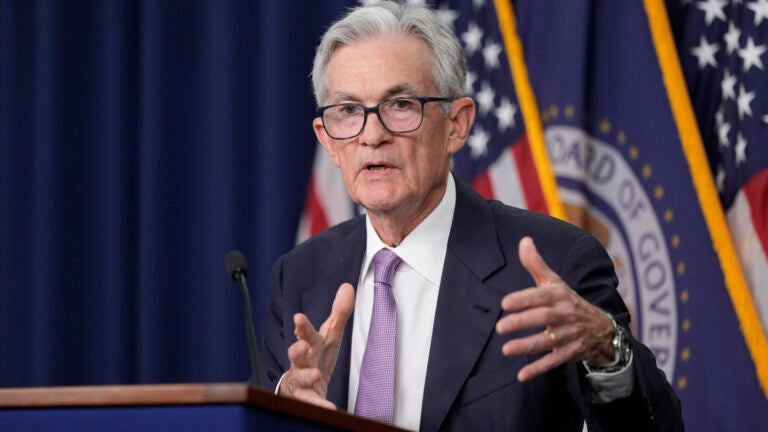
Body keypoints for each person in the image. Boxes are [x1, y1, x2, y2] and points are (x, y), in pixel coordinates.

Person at [262, 1, 683, 431]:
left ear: (457, 125)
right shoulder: (300, 276)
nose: (372, 135)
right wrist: (285, 404)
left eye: (401, 104)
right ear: (328, 140)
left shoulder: (556, 262)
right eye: (348, 110)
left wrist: (607, 351)